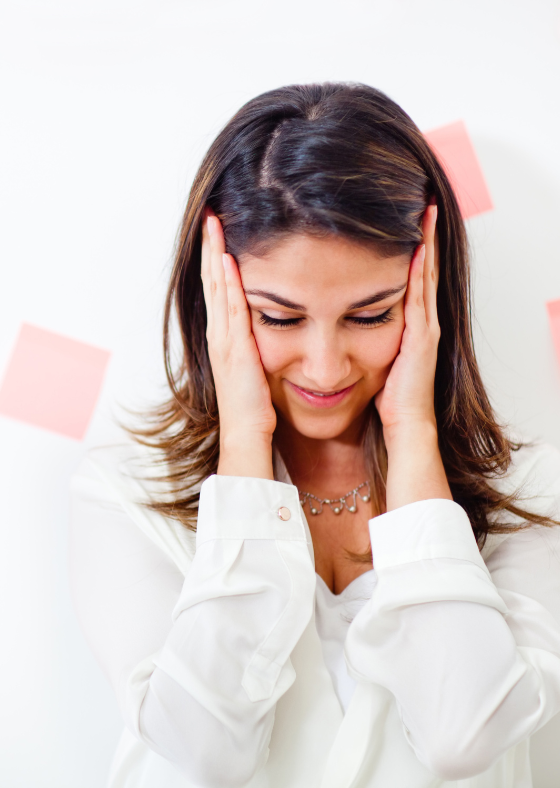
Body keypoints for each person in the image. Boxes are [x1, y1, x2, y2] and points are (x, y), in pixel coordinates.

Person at [68, 83, 560, 787]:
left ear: (427, 295)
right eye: (278, 318)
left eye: (369, 315)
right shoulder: (124, 495)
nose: (326, 367)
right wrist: (244, 445)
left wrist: (414, 437)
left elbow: (463, 737)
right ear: (218, 300)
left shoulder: (530, 494)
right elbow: (208, 749)